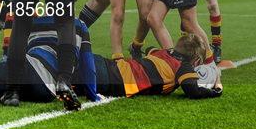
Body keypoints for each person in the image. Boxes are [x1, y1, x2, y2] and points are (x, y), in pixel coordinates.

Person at [94, 32, 222, 99]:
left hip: (106, 64)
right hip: (113, 80)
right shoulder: (184, 67)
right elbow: (194, 91)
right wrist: (215, 91)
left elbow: (150, 48)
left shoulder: (161, 52)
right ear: (195, 58)